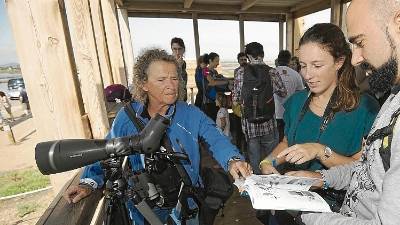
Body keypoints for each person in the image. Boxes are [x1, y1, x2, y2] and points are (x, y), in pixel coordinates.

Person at [63, 49, 252, 225]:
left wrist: (233, 159)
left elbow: (215, 137)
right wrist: (88, 182)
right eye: (161, 80)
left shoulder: (189, 114)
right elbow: (107, 149)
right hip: (143, 209)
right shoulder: (128, 117)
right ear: (143, 84)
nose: (171, 85)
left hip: (185, 204)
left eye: (174, 78)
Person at [281, 1, 400, 224]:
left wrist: (305, 212)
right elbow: (367, 171)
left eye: (360, 42)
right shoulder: (393, 99)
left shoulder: (368, 105)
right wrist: (321, 178)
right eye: (303, 65)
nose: (356, 59)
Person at [232, 42, 287, 175]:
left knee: (254, 157)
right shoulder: (271, 71)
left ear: (248, 56)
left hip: (250, 124)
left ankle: (256, 184)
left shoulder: (240, 72)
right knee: (271, 156)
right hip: (268, 122)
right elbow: (283, 92)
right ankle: (273, 182)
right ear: (262, 54)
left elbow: (236, 99)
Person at [274, 50, 305, 142]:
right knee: (287, 138)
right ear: (289, 60)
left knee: (275, 140)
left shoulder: (271, 73)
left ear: (278, 59)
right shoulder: (296, 75)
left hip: (274, 112)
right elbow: (302, 93)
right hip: (290, 112)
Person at [202, 52, 230, 121]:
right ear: (210, 61)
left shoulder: (215, 72)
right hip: (209, 102)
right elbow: (212, 82)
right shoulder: (205, 70)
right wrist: (227, 82)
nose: (218, 63)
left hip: (216, 100)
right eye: (216, 61)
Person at [232, 52, 248, 152]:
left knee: (245, 130)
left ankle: (246, 149)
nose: (243, 61)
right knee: (238, 129)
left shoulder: (249, 70)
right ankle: (238, 149)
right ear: (238, 61)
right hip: (238, 104)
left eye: (245, 60)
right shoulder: (237, 71)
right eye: (241, 60)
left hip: (246, 103)